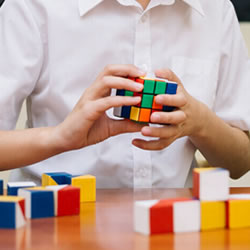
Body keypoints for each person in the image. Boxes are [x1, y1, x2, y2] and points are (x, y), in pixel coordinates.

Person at [0, 0, 250, 188]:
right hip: (51, 225)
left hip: (174, 226)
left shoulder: (216, 9)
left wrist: (202, 124)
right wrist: (58, 137)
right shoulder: (33, 6)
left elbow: (241, 162)